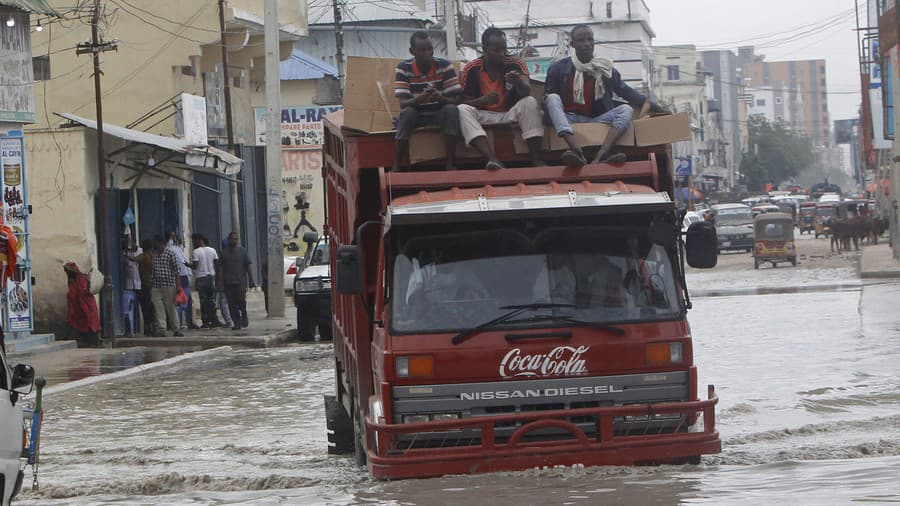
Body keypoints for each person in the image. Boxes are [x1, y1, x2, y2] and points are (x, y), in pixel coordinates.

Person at [544, 25, 667, 167]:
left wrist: (656, 107)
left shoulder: (605, 69)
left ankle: (601, 156)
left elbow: (626, 92)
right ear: (572, 44)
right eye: (581, 40)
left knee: (626, 110)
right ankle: (576, 150)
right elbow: (548, 98)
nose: (586, 44)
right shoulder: (558, 68)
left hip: (596, 120)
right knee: (552, 98)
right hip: (568, 119)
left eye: (590, 40)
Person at [458, 27, 545, 169]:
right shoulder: (471, 68)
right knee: (462, 110)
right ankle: (492, 159)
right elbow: (461, 101)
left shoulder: (516, 63)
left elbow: (526, 92)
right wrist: (482, 100)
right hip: (483, 114)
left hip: (510, 112)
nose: (502, 54)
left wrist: (517, 81)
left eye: (504, 49)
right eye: (497, 50)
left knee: (529, 102)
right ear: (485, 49)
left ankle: (536, 159)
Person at [392, 31, 462, 172]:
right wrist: (420, 98)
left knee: (451, 110)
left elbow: (456, 101)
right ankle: (397, 164)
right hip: (417, 114)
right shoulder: (403, 68)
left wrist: (439, 97)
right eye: (422, 50)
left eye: (430, 49)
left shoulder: (445, 66)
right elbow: (403, 104)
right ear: (412, 51)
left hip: (439, 113)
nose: (428, 53)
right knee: (407, 113)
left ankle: (450, 162)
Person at [219, 231, 254, 330]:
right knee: (231, 304)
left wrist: (251, 280)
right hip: (228, 282)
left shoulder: (242, 251)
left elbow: (248, 266)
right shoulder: (223, 253)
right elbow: (220, 268)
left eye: (235, 239)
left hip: (240, 282)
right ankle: (237, 323)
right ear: (229, 240)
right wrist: (220, 282)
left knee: (241, 301)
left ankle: (244, 314)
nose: (233, 240)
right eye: (232, 239)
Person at [151, 235, 182, 337]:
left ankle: (176, 328)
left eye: (156, 243)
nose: (155, 245)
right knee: (158, 307)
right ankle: (162, 329)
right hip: (156, 285)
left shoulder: (170, 254)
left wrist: (178, 286)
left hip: (169, 285)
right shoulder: (154, 255)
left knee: (171, 308)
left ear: (161, 243)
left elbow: (177, 271)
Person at [64, 262, 101, 347]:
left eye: (68, 271)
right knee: (78, 323)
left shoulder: (81, 278)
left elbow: (82, 291)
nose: (67, 273)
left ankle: (94, 342)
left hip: (86, 305)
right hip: (77, 307)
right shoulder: (71, 279)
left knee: (90, 323)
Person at [167, 231, 197, 329]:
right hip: (180, 276)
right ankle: (177, 323)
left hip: (185, 275)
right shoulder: (169, 248)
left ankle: (190, 322)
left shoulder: (177, 248)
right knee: (181, 301)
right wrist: (172, 238)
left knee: (188, 301)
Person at [191, 234, 219, 329]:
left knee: (203, 301)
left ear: (198, 240)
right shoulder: (212, 250)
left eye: (193, 241)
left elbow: (195, 265)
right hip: (211, 277)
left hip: (201, 278)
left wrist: (188, 265)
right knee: (211, 300)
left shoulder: (196, 252)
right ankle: (214, 320)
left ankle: (205, 322)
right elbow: (216, 263)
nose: (193, 243)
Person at [121, 240, 142, 336]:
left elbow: (138, 255)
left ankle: (133, 330)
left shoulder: (134, 254)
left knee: (134, 310)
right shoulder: (123, 257)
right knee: (127, 311)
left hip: (136, 287)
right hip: (127, 287)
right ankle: (128, 330)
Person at [215, 237, 234, 328]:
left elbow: (219, 269)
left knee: (223, 303)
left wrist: (219, 281)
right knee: (233, 302)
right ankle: (236, 320)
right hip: (234, 282)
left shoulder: (222, 255)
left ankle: (229, 321)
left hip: (224, 283)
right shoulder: (236, 253)